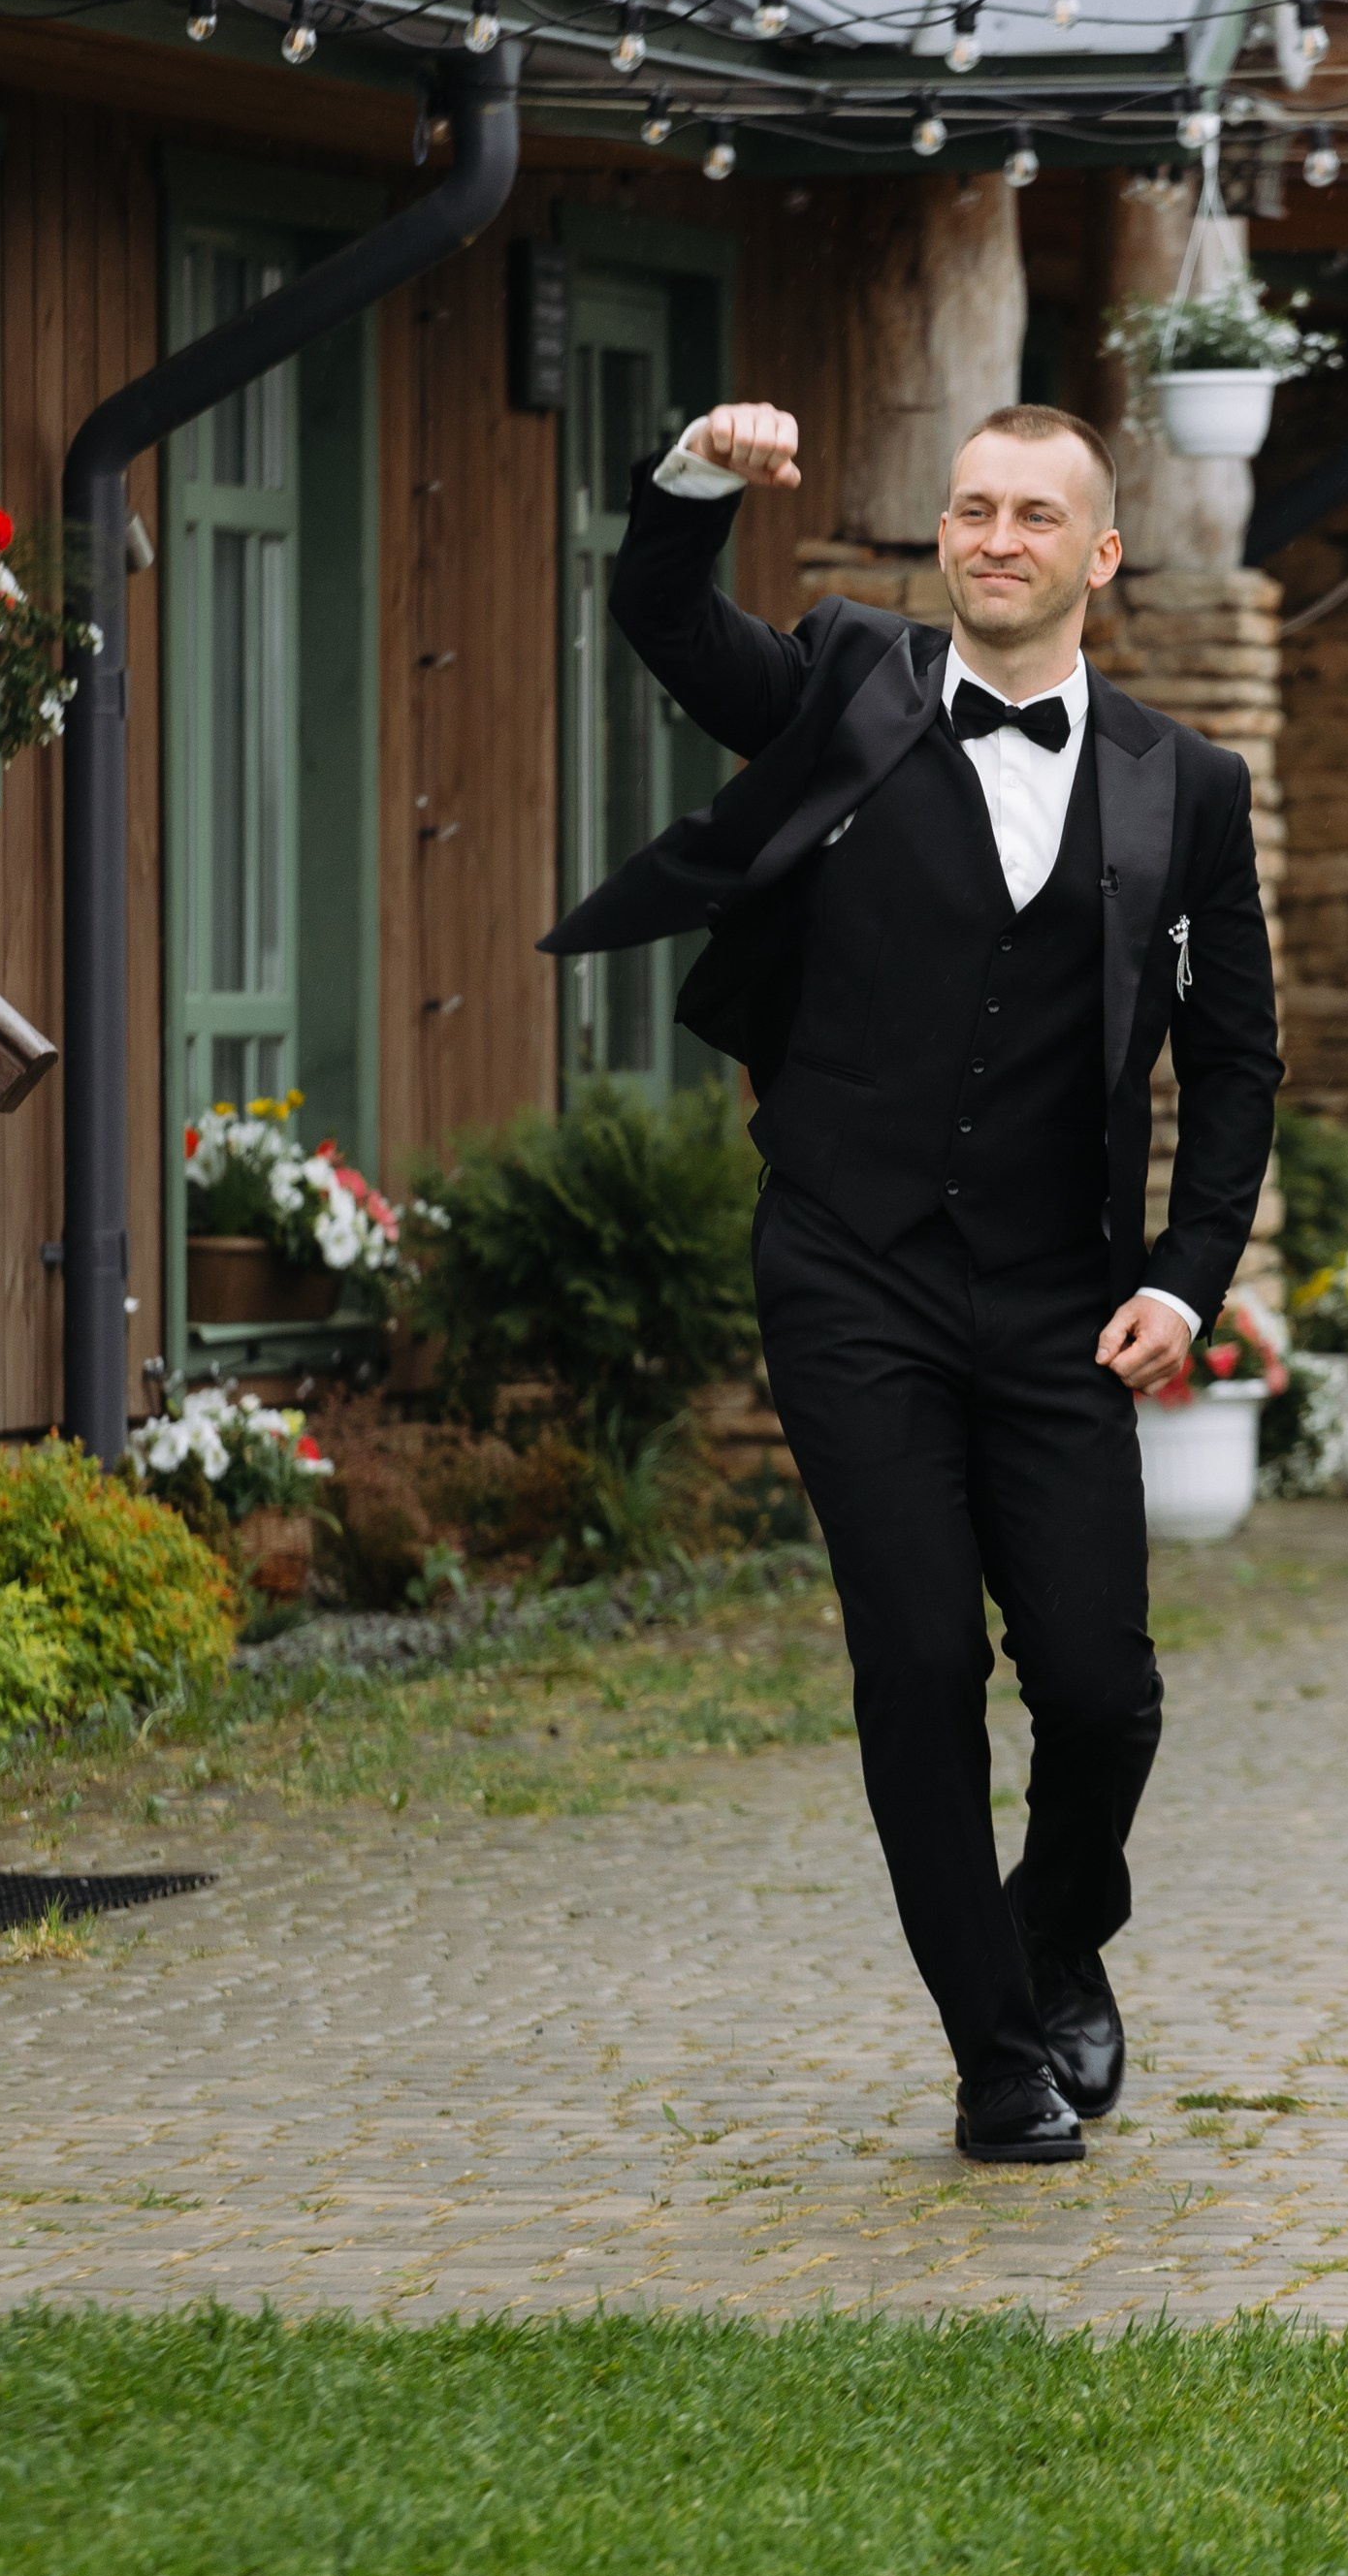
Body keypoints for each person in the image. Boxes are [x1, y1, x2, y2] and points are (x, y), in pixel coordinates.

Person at [543, 399, 1280, 2163]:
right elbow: (660, 619)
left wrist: (1184, 1283)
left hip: (1060, 1300)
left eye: (1035, 515)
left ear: (1100, 554)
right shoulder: (845, 687)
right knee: (919, 1660)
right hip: (849, 1275)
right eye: (970, 509)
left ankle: (1049, 1939)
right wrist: (696, 477)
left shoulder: (1186, 789)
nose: (995, 538)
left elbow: (1234, 1060)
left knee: (1103, 1690)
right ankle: (992, 2055)